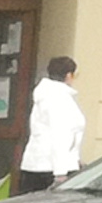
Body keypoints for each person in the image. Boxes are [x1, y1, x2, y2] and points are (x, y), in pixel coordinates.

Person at [17, 56, 86, 194]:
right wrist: (60, 173)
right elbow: (61, 135)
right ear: (69, 75)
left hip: (38, 164)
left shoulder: (47, 95)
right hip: (52, 169)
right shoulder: (59, 98)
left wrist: (75, 159)